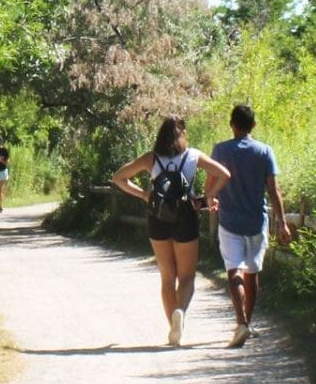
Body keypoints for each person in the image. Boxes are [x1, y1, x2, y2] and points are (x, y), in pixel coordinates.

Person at [109, 116, 230, 347]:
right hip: (186, 215)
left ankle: (174, 328)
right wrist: (208, 197)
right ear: (182, 134)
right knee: (186, 277)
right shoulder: (193, 156)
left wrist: (145, 195)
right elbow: (225, 174)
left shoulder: (151, 159)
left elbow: (119, 178)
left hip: (158, 217)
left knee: (167, 277)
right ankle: (180, 313)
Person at [209, 103, 292, 348]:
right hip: (256, 221)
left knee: (233, 270)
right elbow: (274, 190)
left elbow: (212, 182)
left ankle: (241, 322)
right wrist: (283, 223)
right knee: (252, 272)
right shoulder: (265, 151)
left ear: (231, 125)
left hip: (229, 220)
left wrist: (211, 201)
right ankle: (247, 322)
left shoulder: (220, 150)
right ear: (254, 125)